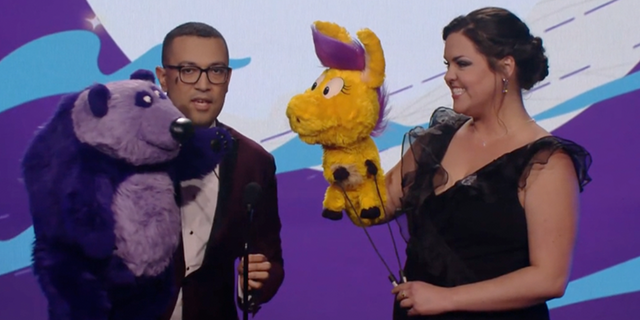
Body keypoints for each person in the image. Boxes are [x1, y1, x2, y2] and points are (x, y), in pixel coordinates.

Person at [382, 7, 593, 319]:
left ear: (505, 67)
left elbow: (549, 278)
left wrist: (446, 299)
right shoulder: (435, 141)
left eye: (462, 64)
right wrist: (344, 135)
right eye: (447, 64)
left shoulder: (545, 162)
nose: (448, 75)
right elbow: (373, 207)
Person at [154, 22, 285, 320]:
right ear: (163, 77)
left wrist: (252, 284)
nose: (204, 84)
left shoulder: (254, 162)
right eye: (188, 70)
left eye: (216, 71)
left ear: (227, 79)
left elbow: (269, 259)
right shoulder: (126, 151)